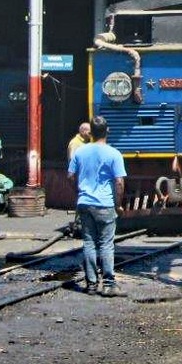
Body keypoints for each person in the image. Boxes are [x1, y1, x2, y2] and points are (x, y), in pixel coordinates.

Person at [68, 116, 128, 296]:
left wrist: (79, 192)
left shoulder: (80, 152)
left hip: (85, 203)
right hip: (105, 204)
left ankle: (91, 284)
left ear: (91, 133)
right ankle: (109, 285)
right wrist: (118, 204)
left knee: (89, 242)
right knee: (106, 244)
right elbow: (119, 183)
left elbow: (70, 176)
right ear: (107, 131)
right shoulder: (114, 154)